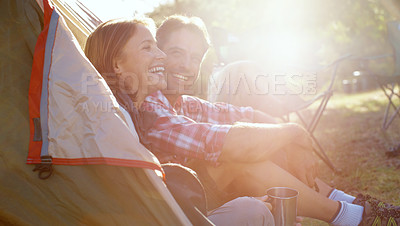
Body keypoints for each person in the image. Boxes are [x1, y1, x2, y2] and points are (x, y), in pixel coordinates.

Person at [138, 15, 400, 225]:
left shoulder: (185, 104)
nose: (187, 65)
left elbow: (254, 116)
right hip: (175, 208)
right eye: (176, 53)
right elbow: (231, 144)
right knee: (240, 155)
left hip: (201, 196)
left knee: (265, 139)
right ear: (157, 54)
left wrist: (293, 137)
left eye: (195, 57)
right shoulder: (149, 106)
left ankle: (351, 205)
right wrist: (293, 131)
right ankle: (354, 218)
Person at [84, 17, 276, 226]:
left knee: (248, 205)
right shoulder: (116, 123)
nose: (161, 56)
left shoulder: (131, 114)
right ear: (117, 64)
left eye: (157, 47)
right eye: (148, 48)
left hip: (166, 213)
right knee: (251, 210)